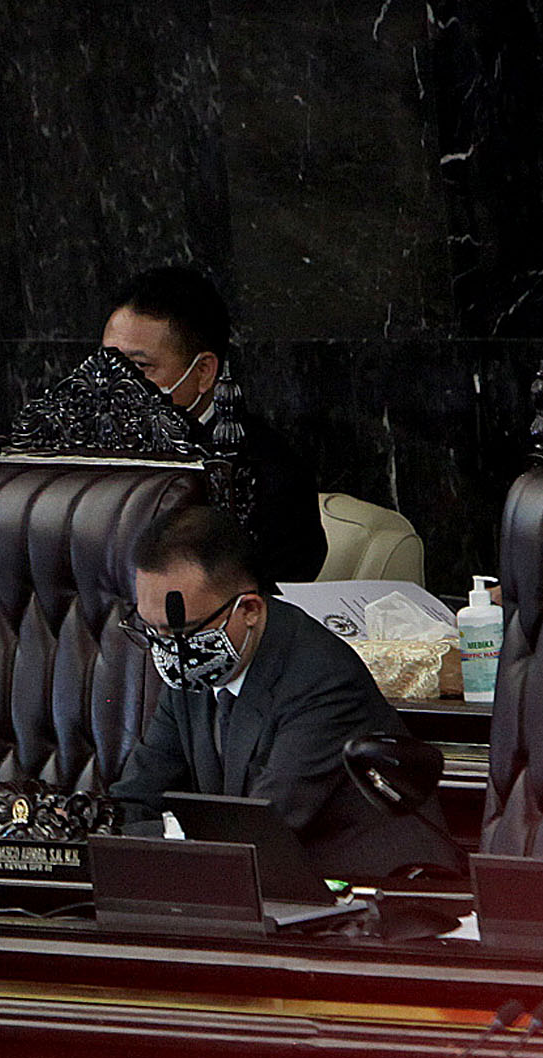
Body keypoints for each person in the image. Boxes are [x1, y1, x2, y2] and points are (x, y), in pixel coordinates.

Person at [111, 504, 460, 885]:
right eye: (153, 631)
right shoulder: (190, 666)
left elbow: (263, 825)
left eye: (184, 631)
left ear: (249, 610)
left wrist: (156, 837)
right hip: (274, 886)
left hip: (380, 896)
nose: (168, 649)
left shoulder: (320, 678)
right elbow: (139, 793)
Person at [101, 266, 326, 588]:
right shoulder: (84, 450)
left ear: (204, 371)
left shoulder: (272, 473)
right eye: (108, 364)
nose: (116, 385)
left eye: (139, 367)